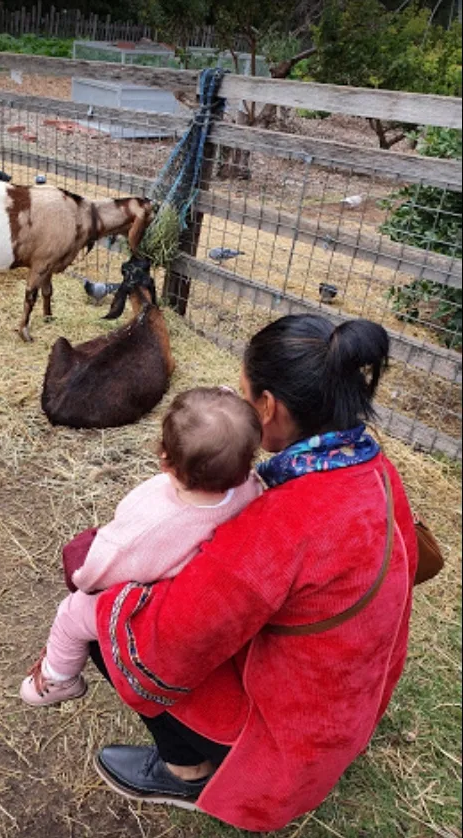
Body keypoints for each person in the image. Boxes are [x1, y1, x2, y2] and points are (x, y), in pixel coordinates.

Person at [88, 314, 418, 832]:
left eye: (243, 395)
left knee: (106, 624)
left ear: (268, 407)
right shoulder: (373, 467)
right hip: (350, 707)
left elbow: (167, 646)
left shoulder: (281, 524)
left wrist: (103, 592)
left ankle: (187, 770)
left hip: (290, 741)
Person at [20, 387, 263, 706]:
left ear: (164, 459)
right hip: (199, 592)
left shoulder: (154, 522)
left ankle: (59, 678)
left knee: (71, 613)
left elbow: (101, 569)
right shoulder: (249, 486)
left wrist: (83, 577)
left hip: (155, 605)